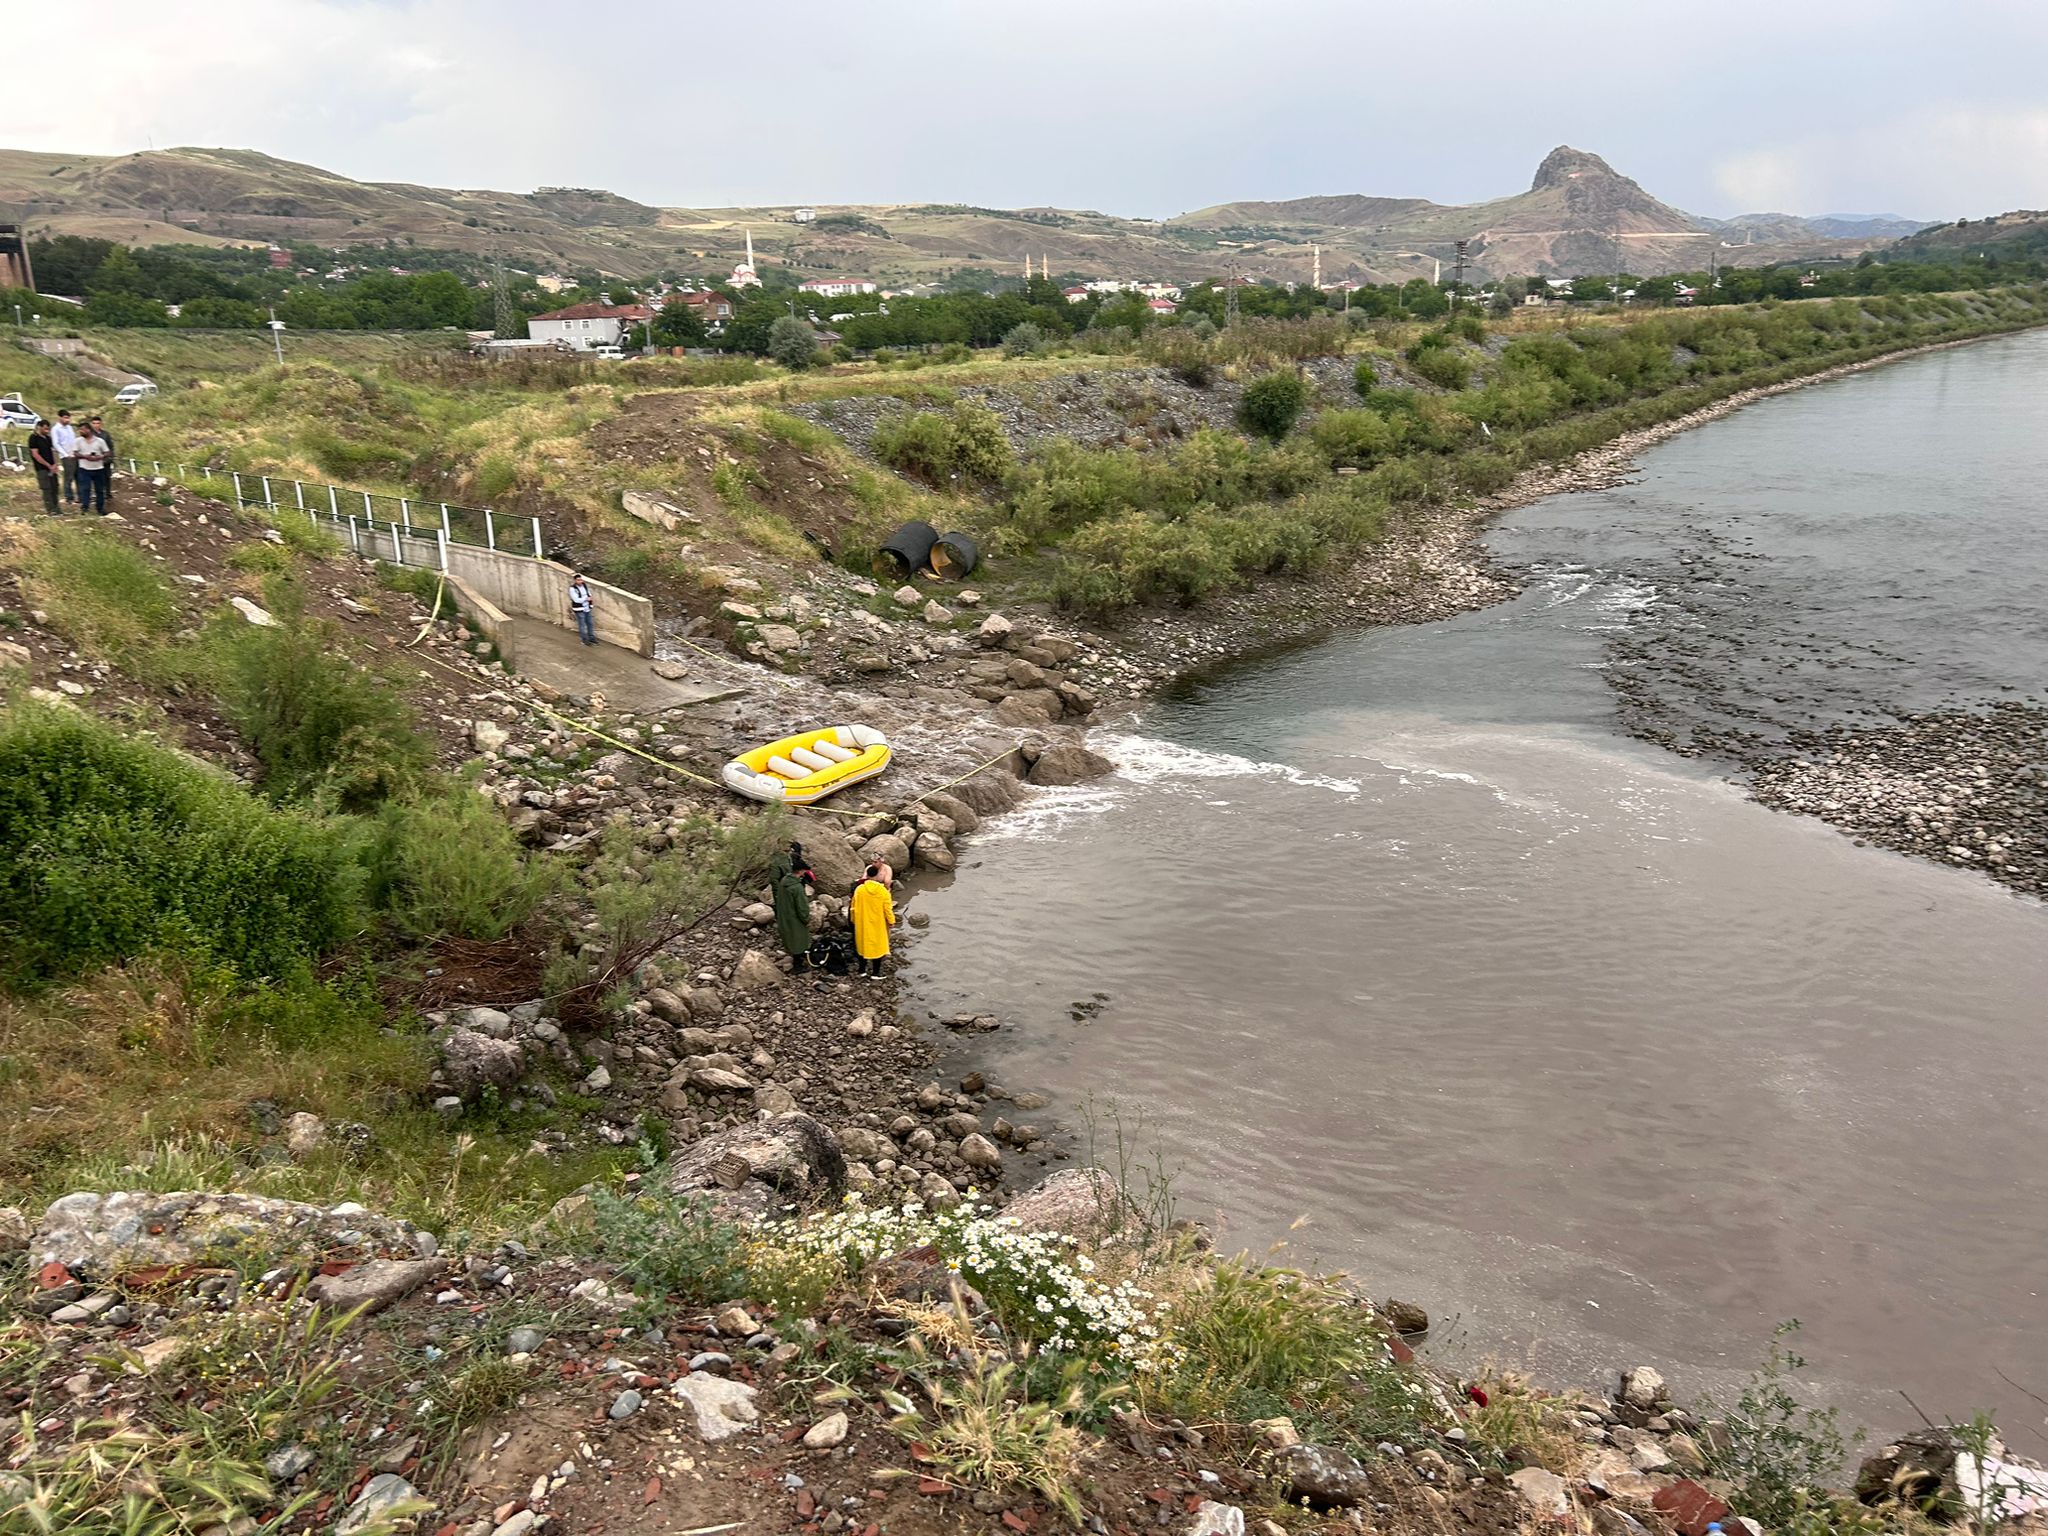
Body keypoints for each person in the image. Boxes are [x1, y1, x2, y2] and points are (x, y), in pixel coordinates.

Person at [769, 843, 816, 974]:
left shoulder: (784, 880)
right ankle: (798, 965)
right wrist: (806, 918)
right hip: (794, 918)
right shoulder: (796, 888)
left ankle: (798, 958)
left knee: (791, 937)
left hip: (785, 915)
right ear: (800, 871)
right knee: (799, 939)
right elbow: (802, 907)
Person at [850, 863, 896, 979]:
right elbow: (887, 908)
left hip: (862, 921)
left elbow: (853, 906)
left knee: (862, 945)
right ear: (876, 876)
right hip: (877, 923)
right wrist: (891, 921)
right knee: (878, 947)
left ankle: (862, 970)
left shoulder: (860, 889)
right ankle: (875, 973)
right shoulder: (882, 891)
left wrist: (853, 920)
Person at [72, 422, 112, 513]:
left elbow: (107, 452)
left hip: (98, 468)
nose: (80, 431)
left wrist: (100, 457)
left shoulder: (100, 441)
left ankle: (100, 508)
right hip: (84, 469)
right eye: (79, 430)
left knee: (100, 490)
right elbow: (75, 453)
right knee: (85, 489)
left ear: (88, 430)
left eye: (82, 429)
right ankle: (85, 507)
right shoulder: (78, 441)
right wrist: (85, 456)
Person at [27, 420, 62, 515]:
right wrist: (47, 465)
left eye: (48, 429)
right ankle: (51, 510)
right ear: (39, 427)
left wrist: (55, 464)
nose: (47, 430)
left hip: (52, 468)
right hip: (42, 468)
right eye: (45, 428)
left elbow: (53, 451)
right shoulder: (33, 438)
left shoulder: (48, 438)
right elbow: (35, 454)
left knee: (55, 488)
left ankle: (57, 508)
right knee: (47, 489)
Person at [49, 410, 78, 505]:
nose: (67, 420)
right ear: (60, 418)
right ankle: (69, 496)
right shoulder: (56, 429)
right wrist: (65, 454)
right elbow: (56, 444)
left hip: (74, 455)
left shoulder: (69, 427)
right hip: (66, 456)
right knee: (68, 477)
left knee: (77, 475)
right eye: (65, 418)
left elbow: (73, 440)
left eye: (68, 418)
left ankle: (79, 496)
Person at [568, 572, 595, 645]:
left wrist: (590, 600)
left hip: (587, 608)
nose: (580, 581)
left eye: (581, 580)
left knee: (590, 623)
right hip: (579, 609)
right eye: (578, 580)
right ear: (575, 581)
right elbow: (576, 599)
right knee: (582, 625)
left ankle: (592, 638)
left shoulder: (584, 586)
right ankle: (584, 640)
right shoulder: (572, 589)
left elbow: (589, 594)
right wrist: (586, 598)